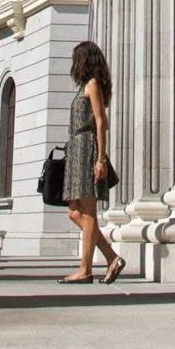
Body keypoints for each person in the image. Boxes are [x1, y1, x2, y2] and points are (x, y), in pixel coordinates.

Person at [59, 40, 126, 285]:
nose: (74, 64)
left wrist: (100, 159)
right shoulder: (83, 87)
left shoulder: (92, 84)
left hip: (87, 148)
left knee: (88, 212)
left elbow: (101, 121)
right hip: (77, 149)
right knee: (75, 213)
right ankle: (111, 257)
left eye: (77, 59)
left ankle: (84, 269)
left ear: (84, 60)